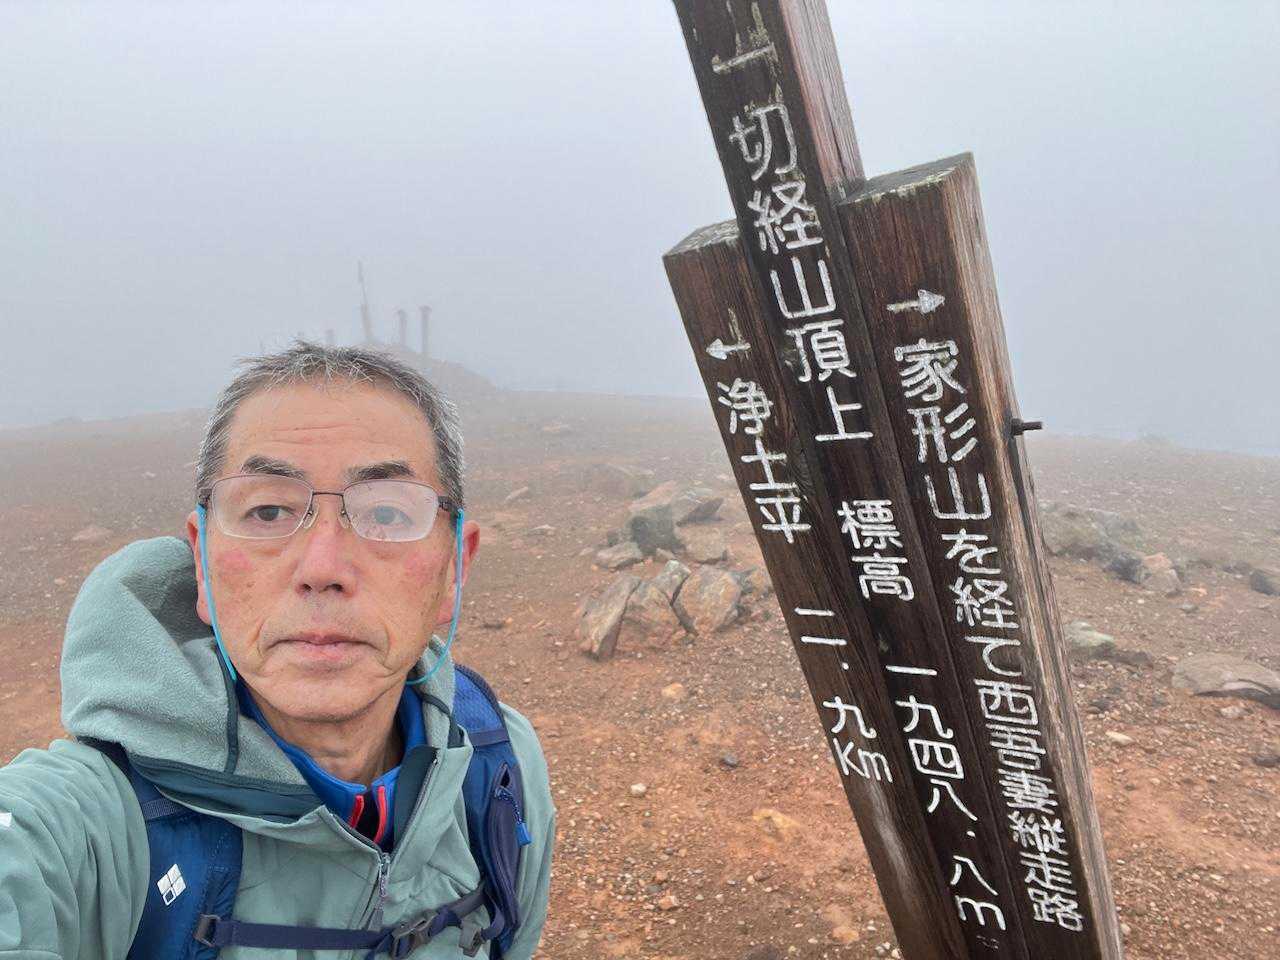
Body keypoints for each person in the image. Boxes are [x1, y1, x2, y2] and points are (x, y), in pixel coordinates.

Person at [0, 342, 555, 958]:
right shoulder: (88, 827)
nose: (322, 569)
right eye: (267, 510)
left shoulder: (500, 767)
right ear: (202, 564)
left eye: (387, 512)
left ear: (454, 569)